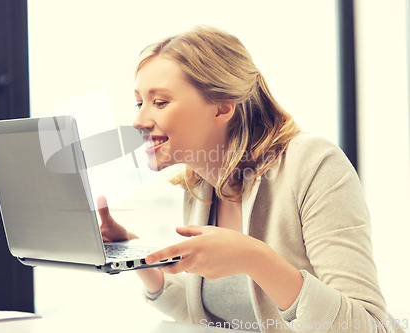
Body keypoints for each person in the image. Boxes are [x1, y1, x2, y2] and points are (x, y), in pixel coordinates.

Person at [96, 27, 405, 333]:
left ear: (222, 106)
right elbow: (213, 318)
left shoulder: (314, 164)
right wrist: (135, 254)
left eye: (160, 102)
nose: (138, 121)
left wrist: (254, 258)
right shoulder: (201, 185)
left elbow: (370, 328)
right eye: (139, 103)